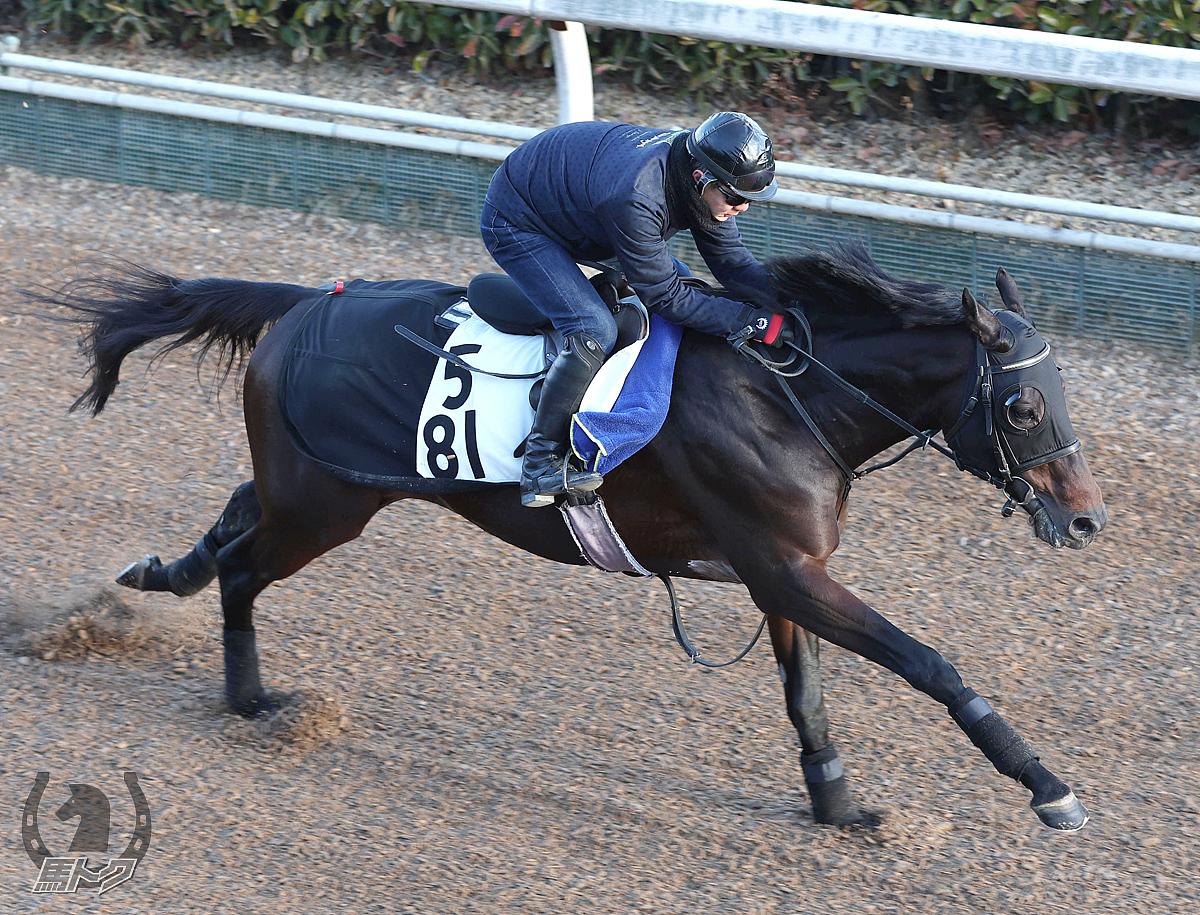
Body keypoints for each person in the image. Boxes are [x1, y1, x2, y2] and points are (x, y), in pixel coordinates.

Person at [480, 111, 795, 508]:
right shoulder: (637, 195)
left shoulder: (698, 167)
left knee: (685, 281)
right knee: (593, 328)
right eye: (735, 197)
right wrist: (751, 321)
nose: (742, 208)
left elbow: (732, 262)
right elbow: (666, 298)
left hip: (578, 203)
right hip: (518, 220)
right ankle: (540, 464)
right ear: (702, 179)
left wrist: (794, 302)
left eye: (749, 200)